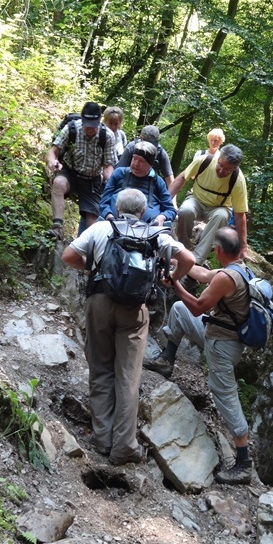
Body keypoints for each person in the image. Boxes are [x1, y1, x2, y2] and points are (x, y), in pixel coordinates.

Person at [62, 188, 195, 466]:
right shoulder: (156, 234)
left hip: (99, 300)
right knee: (128, 377)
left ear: (118, 206)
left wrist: (90, 269)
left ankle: (102, 438)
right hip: (135, 309)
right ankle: (124, 446)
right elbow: (189, 260)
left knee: (100, 368)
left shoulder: (101, 228)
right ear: (143, 211)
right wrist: (170, 277)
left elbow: (68, 256)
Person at [142, 226, 252, 485]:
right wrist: (177, 261)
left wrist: (175, 283)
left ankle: (244, 461)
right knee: (179, 310)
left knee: (225, 396)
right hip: (219, 335)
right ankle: (167, 359)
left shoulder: (227, 278)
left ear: (218, 250)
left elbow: (199, 305)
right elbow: (202, 274)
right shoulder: (238, 269)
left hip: (222, 346)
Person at [45, 101, 118, 241]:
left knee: (92, 224)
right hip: (71, 172)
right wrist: (52, 162)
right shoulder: (71, 128)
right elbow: (53, 151)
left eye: (93, 125)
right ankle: (57, 227)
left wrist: (110, 180)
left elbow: (108, 165)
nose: (89, 128)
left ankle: (88, 246)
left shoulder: (107, 136)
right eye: (87, 124)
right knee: (59, 183)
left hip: (92, 179)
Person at [169, 143, 248, 265]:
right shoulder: (203, 161)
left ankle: (196, 261)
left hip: (219, 207)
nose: (221, 170)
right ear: (218, 158)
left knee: (221, 216)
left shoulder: (238, 180)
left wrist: (243, 247)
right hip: (196, 199)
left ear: (234, 168)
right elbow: (182, 178)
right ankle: (183, 250)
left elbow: (240, 214)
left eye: (227, 169)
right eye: (220, 165)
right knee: (185, 210)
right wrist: (166, 202)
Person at [100, 141, 177, 226]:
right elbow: (103, 202)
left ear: (151, 164)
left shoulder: (158, 182)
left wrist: (162, 217)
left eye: (141, 161)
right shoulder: (118, 173)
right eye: (134, 158)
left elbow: (170, 210)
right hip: (112, 225)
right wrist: (109, 216)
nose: (136, 163)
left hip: (148, 231)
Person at [117, 125, 175, 190]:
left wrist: (172, 198)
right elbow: (118, 173)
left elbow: (170, 180)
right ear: (141, 138)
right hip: (128, 183)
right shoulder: (131, 148)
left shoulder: (161, 153)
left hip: (149, 186)